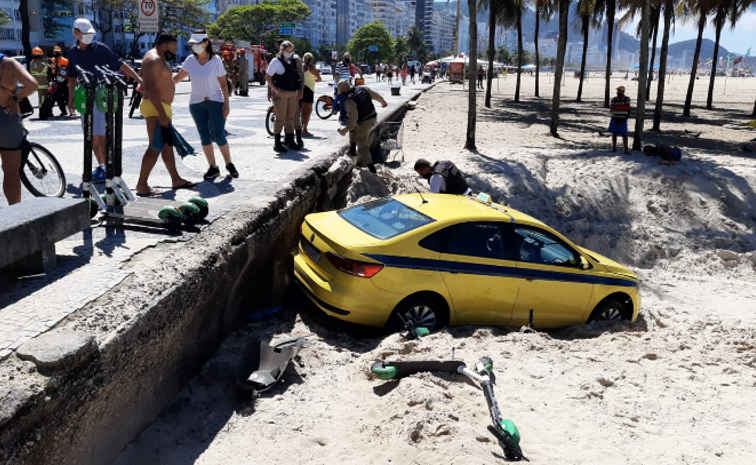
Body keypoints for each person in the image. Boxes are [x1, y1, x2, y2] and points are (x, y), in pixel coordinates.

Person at [67, 18, 142, 182]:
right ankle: (102, 165)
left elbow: (120, 64)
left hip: (102, 94)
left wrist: (139, 79)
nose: (88, 36)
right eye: (84, 33)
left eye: (90, 33)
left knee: (100, 133)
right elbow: (72, 76)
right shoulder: (73, 52)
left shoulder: (100, 48)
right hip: (84, 96)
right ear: (76, 33)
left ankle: (107, 165)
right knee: (90, 133)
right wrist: (70, 99)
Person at [137, 33, 197, 196]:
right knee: (155, 146)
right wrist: (162, 113)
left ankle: (175, 179)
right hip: (156, 109)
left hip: (161, 108)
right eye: (173, 48)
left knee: (167, 145)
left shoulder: (159, 58)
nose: (175, 52)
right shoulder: (153, 59)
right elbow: (150, 87)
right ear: (164, 46)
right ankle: (142, 185)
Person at [173, 31, 238, 180]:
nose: (194, 46)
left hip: (215, 102)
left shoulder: (215, 61)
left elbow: (223, 84)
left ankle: (229, 164)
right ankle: (213, 167)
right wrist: (159, 84)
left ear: (206, 43)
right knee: (204, 135)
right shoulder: (190, 60)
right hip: (196, 104)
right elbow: (177, 78)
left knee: (219, 135)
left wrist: (226, 104)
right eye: (193, 44)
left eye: (197, 43)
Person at [0, 47, 38, 205]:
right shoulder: (8, 64)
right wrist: (16, 98)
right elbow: (32, 84)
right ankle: (15, 216)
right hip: (7, 118)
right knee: (11, 172)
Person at [336, 80, 387, 174]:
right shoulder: (362, 88)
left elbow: (352, 122)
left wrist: (344, 130)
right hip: (373, 117)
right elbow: (375, 95)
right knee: (354, 128)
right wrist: (383, 102)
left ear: (343, 89)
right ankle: (352, 149)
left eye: (340, 91)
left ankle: (372, 169)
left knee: (362, 146)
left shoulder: (349, 101)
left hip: (365, 123)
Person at [267, 40, 304, 153]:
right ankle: (277, 143)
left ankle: (290, 140)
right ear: (282, 50)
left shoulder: (293, 61)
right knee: (280, 117)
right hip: (281, 93)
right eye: (288, 51)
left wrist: (299, 90)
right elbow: (268, 77)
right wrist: (274, 90)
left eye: (291, 51)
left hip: (292, 93)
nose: (290, 53)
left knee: (290, 117)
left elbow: (299, 75)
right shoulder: (276, 61)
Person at [300, 52, 322, 136]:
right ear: (311, 59)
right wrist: (313, 80)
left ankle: (298, 128)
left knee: (300, 110)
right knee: (307, 111)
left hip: (301, 89)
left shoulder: (301, 67)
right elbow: (319, 79)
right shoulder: (313, 68)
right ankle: (304, 129)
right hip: (309, 90)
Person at [608, 85, 631, 155]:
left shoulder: (627, 98)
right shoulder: (614, 99)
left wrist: (617, 107)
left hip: (623, 118)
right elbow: (612, 109)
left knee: (624, 134)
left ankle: (626, 149)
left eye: (619, 90)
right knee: (614, 134)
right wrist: (621, 108)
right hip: (615, 118)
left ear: (623, 91)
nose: (617, 92)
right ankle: (614, 148)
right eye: (617, 90)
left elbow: (627, 108)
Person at [332, 53, 354, 125]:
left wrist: (349, 79)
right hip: (340, 87)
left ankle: (345, 115)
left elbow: (345, 75)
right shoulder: (340, 65)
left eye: (349, 58)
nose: (348, 59)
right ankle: (342, 118)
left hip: (346, 87)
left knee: (347, 101)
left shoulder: (347, 66)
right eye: (346, 57)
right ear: (343, 58)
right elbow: (336, 76)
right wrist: (339, 85)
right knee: (343, 102)